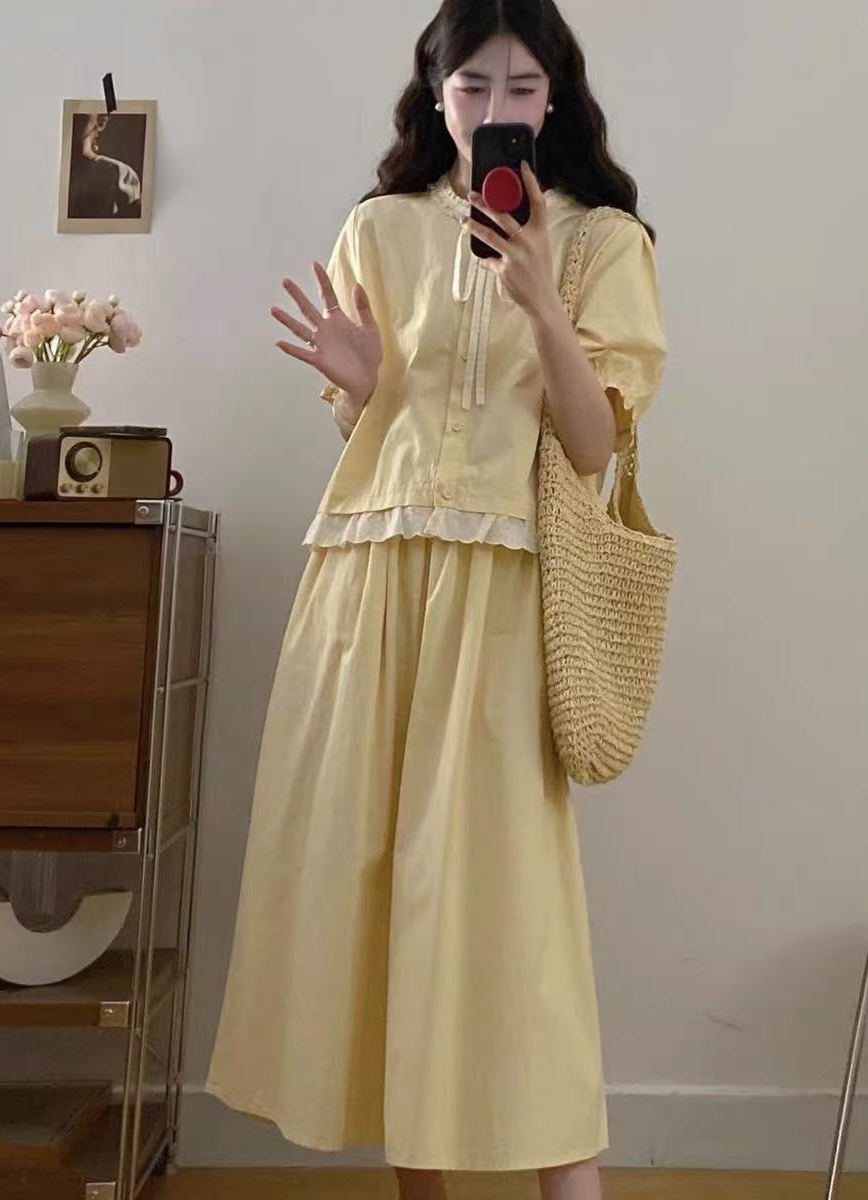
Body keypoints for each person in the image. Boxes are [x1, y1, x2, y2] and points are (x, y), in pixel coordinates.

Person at [204, 3, 666, 1198]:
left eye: (522, 88)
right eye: (473, 87)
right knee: (372, 882)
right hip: (366, 580)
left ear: (556, 98)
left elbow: (589, 449)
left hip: (506, 592)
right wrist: (364, 388)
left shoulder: (603, 243)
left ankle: (570, 1179)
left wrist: (542, 304)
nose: (495, 109)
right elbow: (377, 437)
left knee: (505, 902)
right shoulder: (378, 228)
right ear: (435, 92)